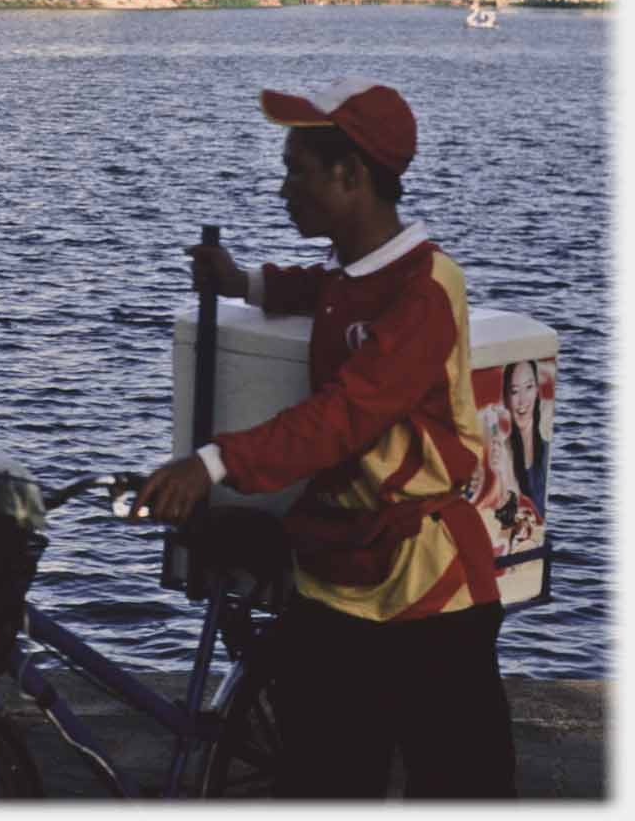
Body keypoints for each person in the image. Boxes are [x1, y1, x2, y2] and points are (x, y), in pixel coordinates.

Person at [135, 77, 515, 799]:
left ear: (350, 176)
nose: (283, 189)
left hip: (427, 586)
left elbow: (344, 415)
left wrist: (212, 463)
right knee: (324, 784)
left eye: (296, 172)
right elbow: (325, 291)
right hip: (339, 573)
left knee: (461, 787)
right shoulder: (361, 273)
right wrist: (244, 282)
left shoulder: (429, 289)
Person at [505, 359, 548, 517]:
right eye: (515, 391)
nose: (522, 401)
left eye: (528, 387)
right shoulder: (498, 457)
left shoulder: (548, 452)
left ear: (537, 390)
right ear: (506, 398)